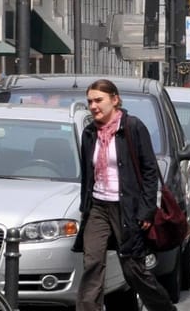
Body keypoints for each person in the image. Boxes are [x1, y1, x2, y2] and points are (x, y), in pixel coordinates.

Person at [76, 79, 173, 311]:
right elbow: (88, 175)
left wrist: (146, 210)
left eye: (99, 100)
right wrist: (85, 208)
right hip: (98, 206)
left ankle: (164, 308)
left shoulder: (133, 127)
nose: (93, 106)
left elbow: (150, 170)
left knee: (133, 269)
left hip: (127, 208)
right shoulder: (89, 133)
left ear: (115, 100)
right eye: (90, 101)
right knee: (92, 264)